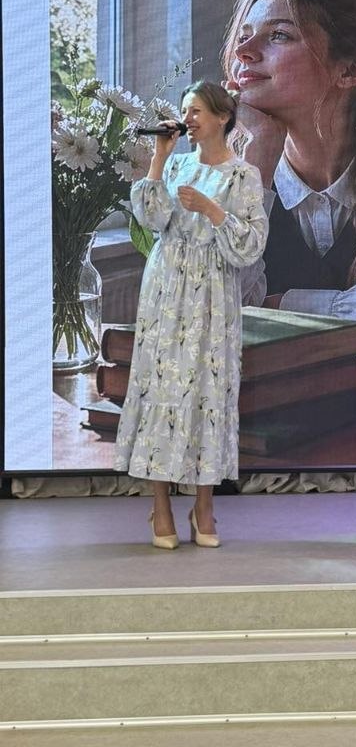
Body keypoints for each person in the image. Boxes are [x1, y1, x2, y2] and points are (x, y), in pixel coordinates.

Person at [114, 82, 269, 549]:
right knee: (163, 387)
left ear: (223, 117)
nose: (189, 119)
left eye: (197, 110)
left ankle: (204, 505)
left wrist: (212, 210)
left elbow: (251, 245)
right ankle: (160, 505)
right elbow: (151, 218)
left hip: (213, 294)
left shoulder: (244, 175)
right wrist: (159, 156)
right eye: (185, 111)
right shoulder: (177, 163)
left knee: (207, 390)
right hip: (166, 288)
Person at [221, 0, 356, 337]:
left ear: (350, 71)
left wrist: (283, 305)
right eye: (244, 36)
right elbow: (214, 311)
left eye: (279, 35)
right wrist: (257, 154)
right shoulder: (223, 184)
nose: (243, 52)